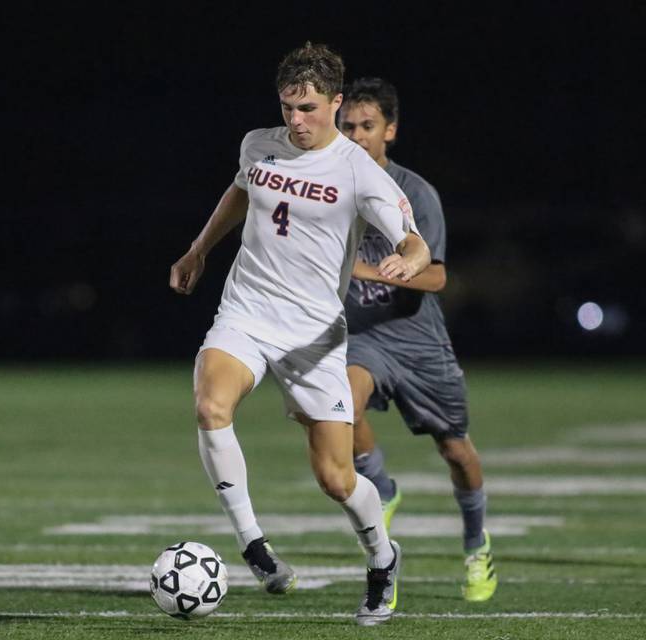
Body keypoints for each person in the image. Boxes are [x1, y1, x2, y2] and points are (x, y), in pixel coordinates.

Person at [169, 43, 430, 626]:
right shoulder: (258, 143)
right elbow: (242, 190)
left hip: (313, 335)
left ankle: (383, 559)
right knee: (211, 405)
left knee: (336, 479)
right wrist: (198, 249)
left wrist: (407, 261)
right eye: (287, 107)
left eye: (308, 108)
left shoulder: (359, 172)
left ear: (336, 103)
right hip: (247, 312)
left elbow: (413, 241)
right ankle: (255, 548)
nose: (296, 120)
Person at [338, 77, 497, 602]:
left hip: (419, 342)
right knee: (340, 403)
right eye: (348, 127)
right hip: (364, 337)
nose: (357, 136)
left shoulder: (416, 193)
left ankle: (476, 544)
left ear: (391, 130)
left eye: (368, 126)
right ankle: (382, 488)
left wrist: (376, 269)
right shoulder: (328, 187)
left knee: (456, 451)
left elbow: (436, 278)